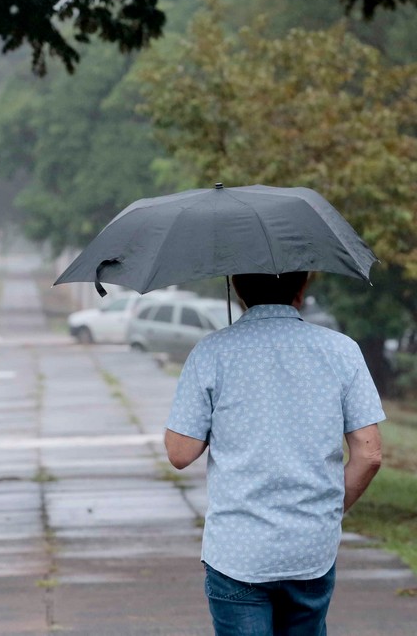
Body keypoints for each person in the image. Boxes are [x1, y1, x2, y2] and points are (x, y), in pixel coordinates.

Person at [164, 271, 384, 635]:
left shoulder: (213, 351)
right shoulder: (341, 350)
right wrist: (326, 508)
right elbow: (370, 453)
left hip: (238, 552)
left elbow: (180, 452)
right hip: (311, 547)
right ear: (301, 289)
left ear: (236, 287)